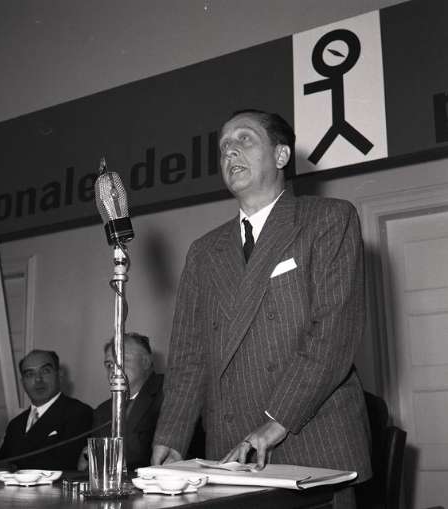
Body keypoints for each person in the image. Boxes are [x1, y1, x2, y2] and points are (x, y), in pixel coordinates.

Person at [151, 109, 372, 508]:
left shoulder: (328, 218)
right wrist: (172, 435)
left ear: (282, 155)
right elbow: (188, 356)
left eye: (244, 139)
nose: (229, 151)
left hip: (312, 446)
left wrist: (276, 422)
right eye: (223, 146)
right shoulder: (204, 251)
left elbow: (332, 335)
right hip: (229, 456)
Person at [78, 333, 164, 471]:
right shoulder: (103, 411)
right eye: (109, 365)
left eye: (120, 362)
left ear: (146, 362)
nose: (114, 370)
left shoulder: (169, 393)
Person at [0, 349, 93, 470]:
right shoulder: (15, 424)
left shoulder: (79, 413)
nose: (38, 379)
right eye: (30, 374)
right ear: (23, 382)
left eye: (45, 371)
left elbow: (67, 464)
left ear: (59, 374)